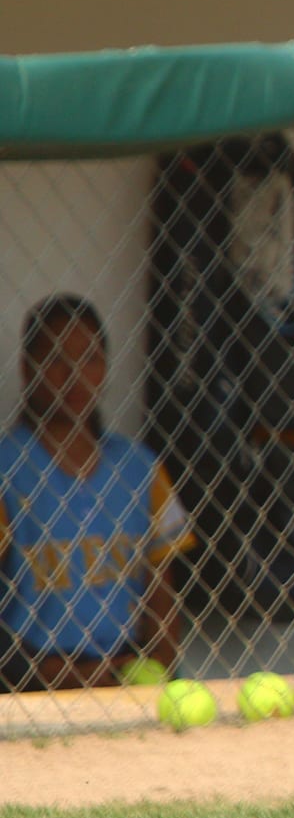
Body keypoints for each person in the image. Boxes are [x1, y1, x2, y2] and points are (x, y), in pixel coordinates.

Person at [0, 295, 194, 694]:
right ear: (26, 368)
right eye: (55, 358)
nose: (74, 374)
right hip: (29, 676)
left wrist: (156, 671)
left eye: (89, 358)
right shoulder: (8, 468)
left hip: (126, 670)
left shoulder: (140, 468)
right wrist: (50, 674)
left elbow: (160, 590)